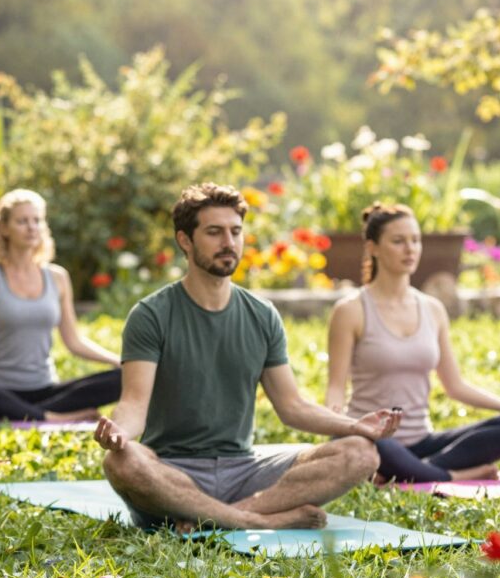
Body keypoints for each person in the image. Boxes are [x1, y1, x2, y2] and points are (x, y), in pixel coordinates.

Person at [94, 183, 401, 531]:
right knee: (121, 462)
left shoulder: (261, 314)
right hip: (173, 474)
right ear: (185, 240)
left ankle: (211, 519)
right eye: (214, 232)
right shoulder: (151, 315)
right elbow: (134, 404)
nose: (229, 242)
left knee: (360, 453)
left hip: (245, 470)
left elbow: (292, 407)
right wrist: (119, 432)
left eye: (235, 231)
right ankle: (250, 520)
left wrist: (355, 425)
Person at [326, 203, 500, 483]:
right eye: (398, 241)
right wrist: (342, 424)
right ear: (373, 247)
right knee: (373, 445)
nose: (410, 249)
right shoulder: (350, 310)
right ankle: (455, 475)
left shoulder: (433, 309)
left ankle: (408, 472)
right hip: (374, 438)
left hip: (423, 442)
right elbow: (335, 389)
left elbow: (455, 386)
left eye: (415, 240)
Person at [0, 189, 123, 422]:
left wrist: (119, 362)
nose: (31, 227)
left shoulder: (58, 277)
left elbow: (74, 341)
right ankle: (53, 418)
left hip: (47, 390)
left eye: (36, 220)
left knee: (125, 377)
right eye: (22, 221)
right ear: (4, 228)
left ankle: (32, 413)